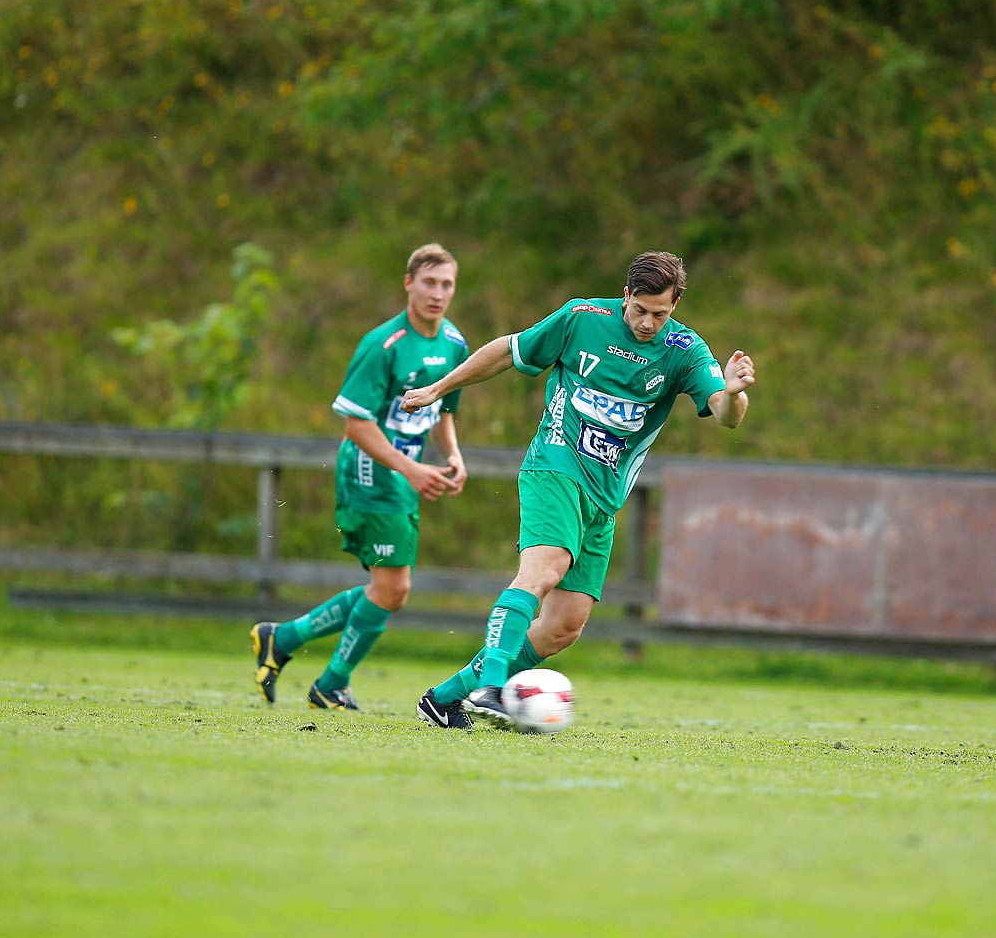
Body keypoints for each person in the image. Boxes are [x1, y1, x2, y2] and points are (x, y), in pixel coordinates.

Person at [400, 250, 756, 729]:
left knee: (563, 627)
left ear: (675, 306)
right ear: (625, 295)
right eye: (640, 310)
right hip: (555, 464)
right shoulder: (581, 318)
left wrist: (734, 394)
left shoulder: (684, 349)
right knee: (543, 570)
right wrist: (438, 388)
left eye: (661, 314)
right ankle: (493, 687)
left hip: (604, 498)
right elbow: (509, 350)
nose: (649, 322)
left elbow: (723, 413)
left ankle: (445, 697)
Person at [249, 243, 469, 710]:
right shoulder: (382, 345)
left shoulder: (454, 344)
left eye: (446, 284)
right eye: (429, 282)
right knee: (393, 589)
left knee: (387, 589)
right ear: (409, 284)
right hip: (372, 473)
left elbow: (444, 411)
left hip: (403, 476)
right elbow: (357, 424)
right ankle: (329, 683)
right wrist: (411, 468)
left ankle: (282, 639)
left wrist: (453, 456)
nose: (438, 293)